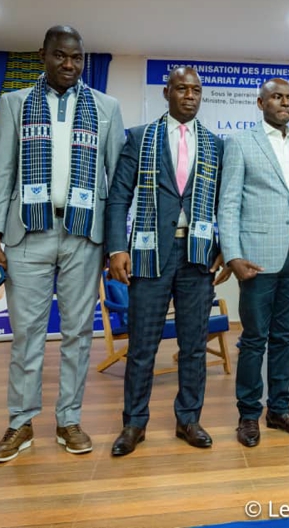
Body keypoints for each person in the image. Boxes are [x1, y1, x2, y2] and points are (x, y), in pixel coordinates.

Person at [0, 25, 125, 463]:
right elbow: (3, 174)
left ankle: (69, 419)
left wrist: (117, 244)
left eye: (76, 58)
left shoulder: (106, 108)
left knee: (80, 332)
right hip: (28, 233)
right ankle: (20, 423)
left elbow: (116, 185)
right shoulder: (14, 103)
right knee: (27, 334)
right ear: (43, 54)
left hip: (84, 237)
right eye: (60, 56)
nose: (69, 65)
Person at [107, 66, 230, 456]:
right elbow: (117, 197)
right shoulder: (140, 137)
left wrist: (226, 245)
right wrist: (116, 249)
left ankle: (189, 419)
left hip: (197, 256)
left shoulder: (215, 144)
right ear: (167, 92)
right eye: (182, 89)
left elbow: (224, 204)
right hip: (148, 253)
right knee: (143, 345)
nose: (190, 96)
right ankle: (134, 424)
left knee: (194, 344)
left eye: (196, 90)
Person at [218, 78, 289, 447]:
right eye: (277, 97)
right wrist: (234, 256)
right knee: (255, 339)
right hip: (256, 261)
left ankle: (279, 409)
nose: (285, 103)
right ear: (260, 103)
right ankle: (247, 415)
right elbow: (228, 204)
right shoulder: (241, 143)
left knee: (285, 338)